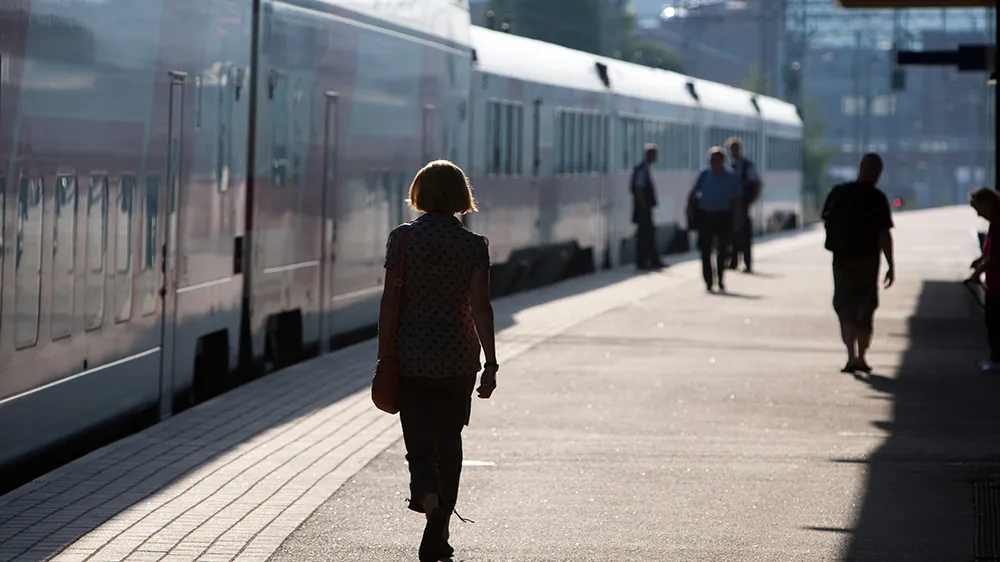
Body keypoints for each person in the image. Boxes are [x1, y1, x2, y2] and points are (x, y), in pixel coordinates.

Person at [379, 160, 499, 562]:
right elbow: (481, 307)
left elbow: (389, 301)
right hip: (459, 358)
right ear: (461, 197)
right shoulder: (473, 245)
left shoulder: (402, 239)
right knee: (450, 444)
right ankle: (441, 524)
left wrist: (384, 353)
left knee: (420, 448)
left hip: (411, 356)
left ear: (420, 194)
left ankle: (432, 511)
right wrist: (491, 364)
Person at [820, 153, 895, 374]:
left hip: (842, 260)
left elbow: (826, 222)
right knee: (866, 309)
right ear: (877, 173)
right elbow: (884, 235)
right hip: (867, 261)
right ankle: (861, 357)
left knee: (845, 307)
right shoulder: (877, 199)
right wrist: (891, 264)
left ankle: (850, 356)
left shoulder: (839, 193)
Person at [687, 146, 742, 292]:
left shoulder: (730, 177)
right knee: (705, 250)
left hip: (723, 215)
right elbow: (693, 193)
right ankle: (709, 280)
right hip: (706, 215)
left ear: (722, 161)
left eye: (717, 160)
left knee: (722, 249)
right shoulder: (704, 174)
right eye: (712, 160)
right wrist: (690, 209)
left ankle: (720, 276)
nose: (714, 163)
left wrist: (737, 219)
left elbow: (737, 199)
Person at [967, 186, 1000, 374]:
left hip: (998, 286)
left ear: (987, 204)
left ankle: (997, 359)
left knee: (994, 322)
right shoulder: (994, 223)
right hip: (995, 284)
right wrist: (979, 261)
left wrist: (977, 273)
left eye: (978, 209)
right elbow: (990, 251)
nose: (979, 215)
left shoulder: (997, 224)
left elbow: (995, 257)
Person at [725, 137, 762, 273]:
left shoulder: (747, 166)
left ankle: (747, 263)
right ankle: (734, 261)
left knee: (744, 235)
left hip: (743, 205)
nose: (733, 152)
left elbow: (757, 182)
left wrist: (751, 200)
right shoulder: (730, 166)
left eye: (735, 149)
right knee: (733, 234)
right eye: (731, 149)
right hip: (732, 205)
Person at [630, 144, 664, 270]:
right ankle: (645, 261)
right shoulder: (642, 169)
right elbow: (638, 188)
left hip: (643, 207)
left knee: (647, 233)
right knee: (645, 234)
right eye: (654, 154)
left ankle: (650, 259)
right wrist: (644, 204)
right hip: (643, 208)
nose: (656, 157)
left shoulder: (644, 168)